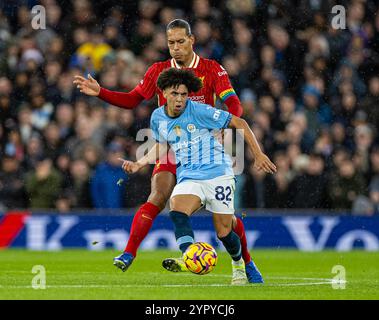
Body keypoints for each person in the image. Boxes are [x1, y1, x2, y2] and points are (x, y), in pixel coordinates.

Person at [73, 19, 258, 282]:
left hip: (203, 149)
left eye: (181, 42)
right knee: (158, 196)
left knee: (225, 222)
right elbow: (133, 99)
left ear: (192, 40)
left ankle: (245, 262)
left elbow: (234, 105)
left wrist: (223, 127)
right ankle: (129, 253)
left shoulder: (211, 69)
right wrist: (101, 92)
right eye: (171, 43)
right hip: (171, 144)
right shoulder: (158, 71)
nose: (176, 48)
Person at [117, 68, 276, 284]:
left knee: (224, 232)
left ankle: (240, 264)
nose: (180, 99)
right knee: (177, 209)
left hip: (218, 173)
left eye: (184, 94)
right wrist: (139, 163)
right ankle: (188, 256)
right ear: (163, 93)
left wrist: (258, 154)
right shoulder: (157, 117)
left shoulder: (199, 111)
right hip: (190, 176)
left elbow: (241, 123)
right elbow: (163, 144)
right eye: (175, 94)